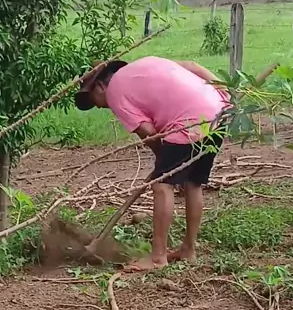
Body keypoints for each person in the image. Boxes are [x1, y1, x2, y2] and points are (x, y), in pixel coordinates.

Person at [75, 55, 229, 271]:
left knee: (162, 185)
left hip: (188, 122)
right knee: (193, 183)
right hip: (218, 113)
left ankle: (158, 258)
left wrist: (161, 162)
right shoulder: (146, 63)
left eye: (93, 100)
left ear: (100, 86)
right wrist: (227, 93)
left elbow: (149, 132)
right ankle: (188, 250)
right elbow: (193, 66)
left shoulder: (114, 93)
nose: (98, 107)